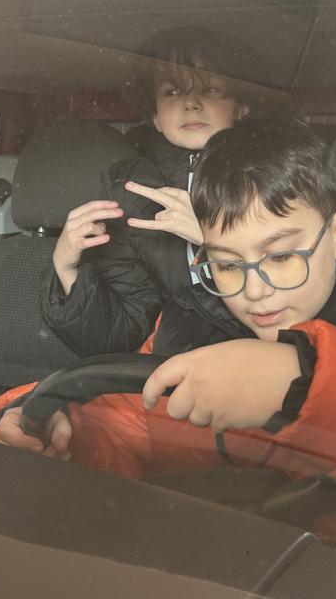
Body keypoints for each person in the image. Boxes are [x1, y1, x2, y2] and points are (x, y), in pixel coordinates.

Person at [0, 114, 336, 591]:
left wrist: (309, 384)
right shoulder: (197, 315)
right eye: (227, 263)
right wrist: (54, 429)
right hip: (208, 590)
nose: (254, 292)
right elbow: (128, 425)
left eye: (280, 257)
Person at [42, 27, 257, 355]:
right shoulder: (131, 191)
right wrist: (66, 269)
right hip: (162, 372)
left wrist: (215, 241)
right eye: (173, 91)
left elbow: (292, 315)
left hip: (252, 366)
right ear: (155, 116)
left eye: (211, 89)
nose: (191, 103)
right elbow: (119, 338)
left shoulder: (274, 179)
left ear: (242, 107)